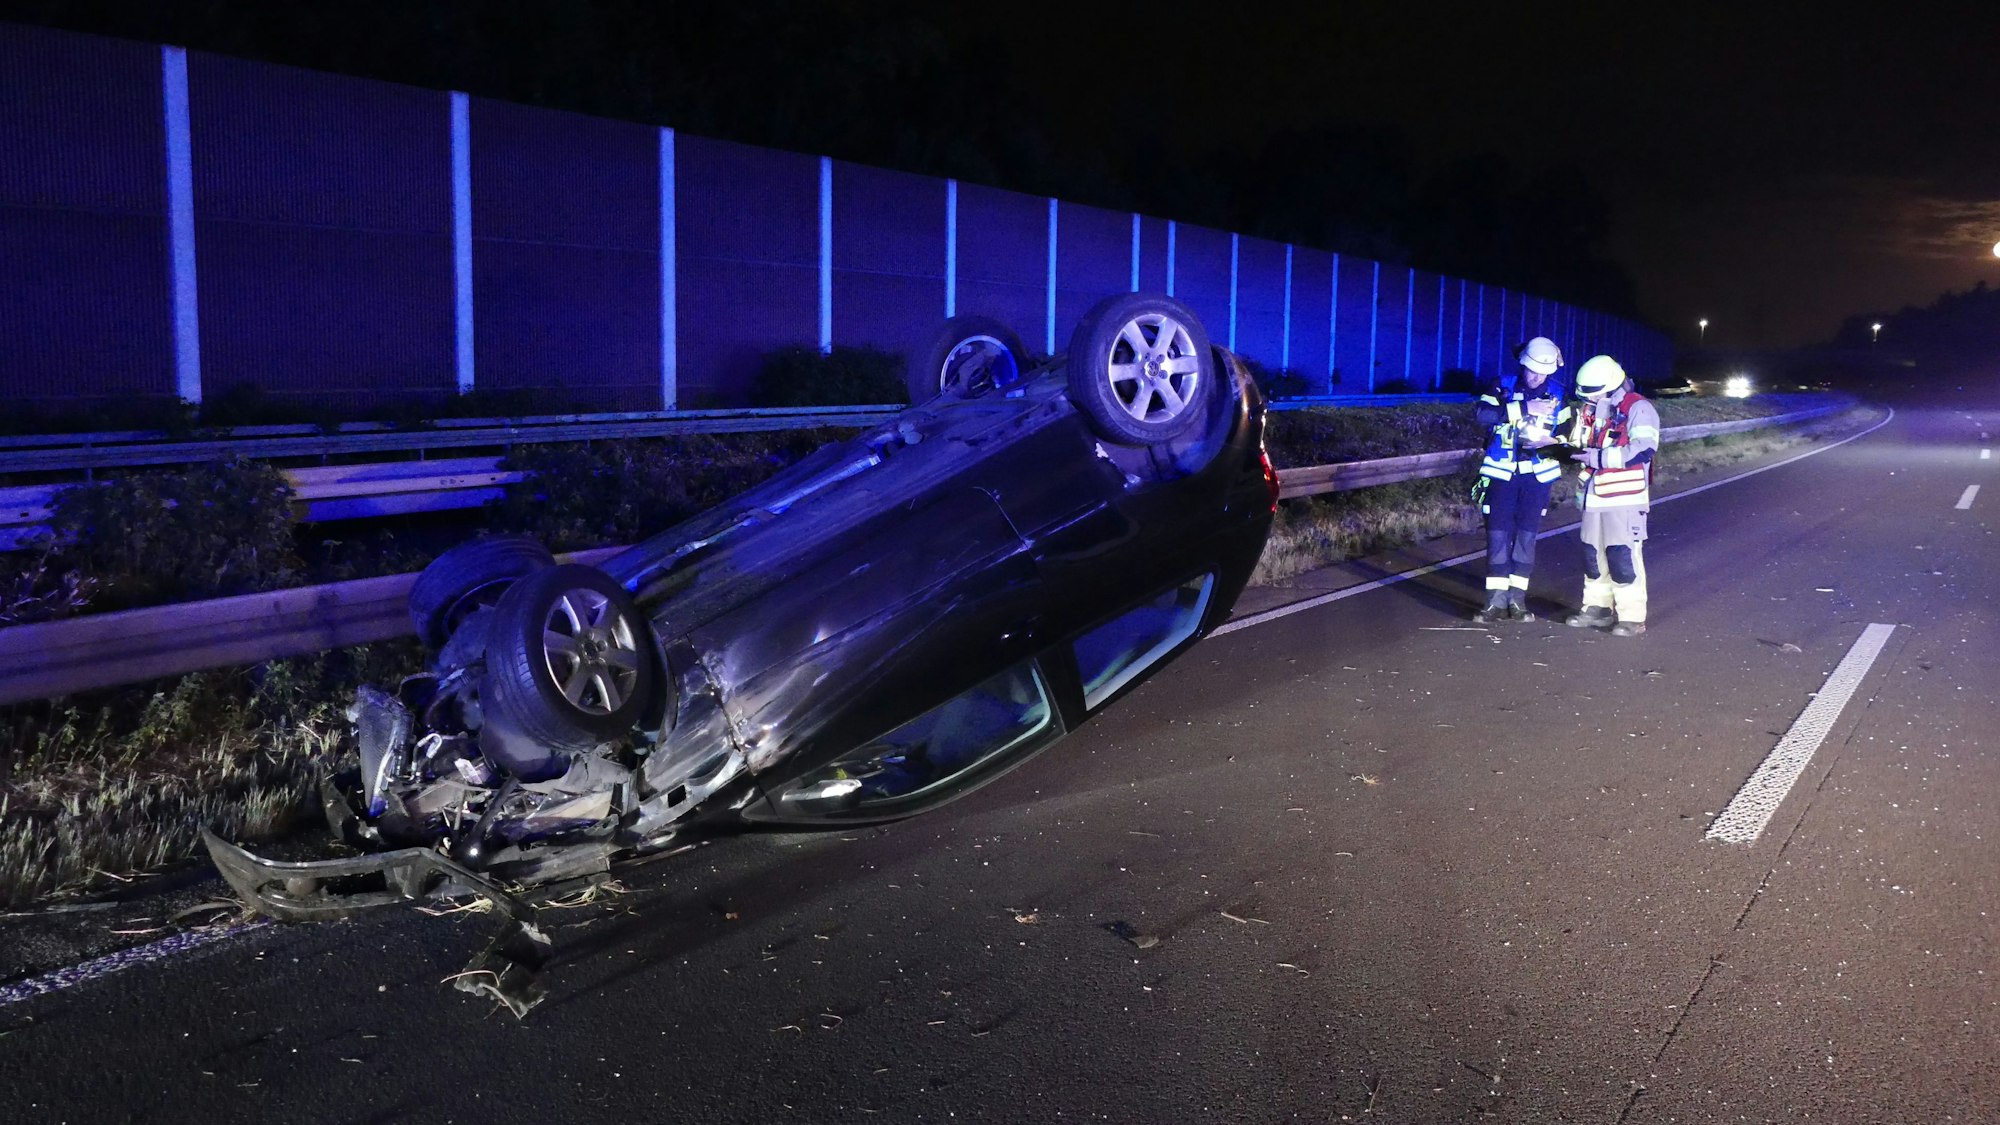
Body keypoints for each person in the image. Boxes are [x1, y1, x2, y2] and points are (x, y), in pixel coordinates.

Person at [1470, 336, 1572, 622]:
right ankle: (1494, 602)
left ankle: (1518, 601)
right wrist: (1526, 409)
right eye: (1533, 370)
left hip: (1537, 478)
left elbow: (1567, 435)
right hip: (1502, 474)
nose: (1538, 376)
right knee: (1498, 535)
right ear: (1523, 365)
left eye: (1544, 372)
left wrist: (1551, 443)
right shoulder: (1502, 385)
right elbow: (1482, 414)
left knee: (1526, 538)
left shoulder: (1558, 393)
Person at [1563, 354, 1659, 636]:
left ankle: (1631, 617)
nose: (1589, 401)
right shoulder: (1590, 409)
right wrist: (1561, 447)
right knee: (1592, 556)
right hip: (1593, 497)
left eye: (1594, 395)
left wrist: (1598, 458)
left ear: (1612, 386)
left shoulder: (1639, 408)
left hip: (1625, 498)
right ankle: (1597, 608)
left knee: (1622, 556)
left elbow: (1643, 449)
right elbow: (1578, 442)